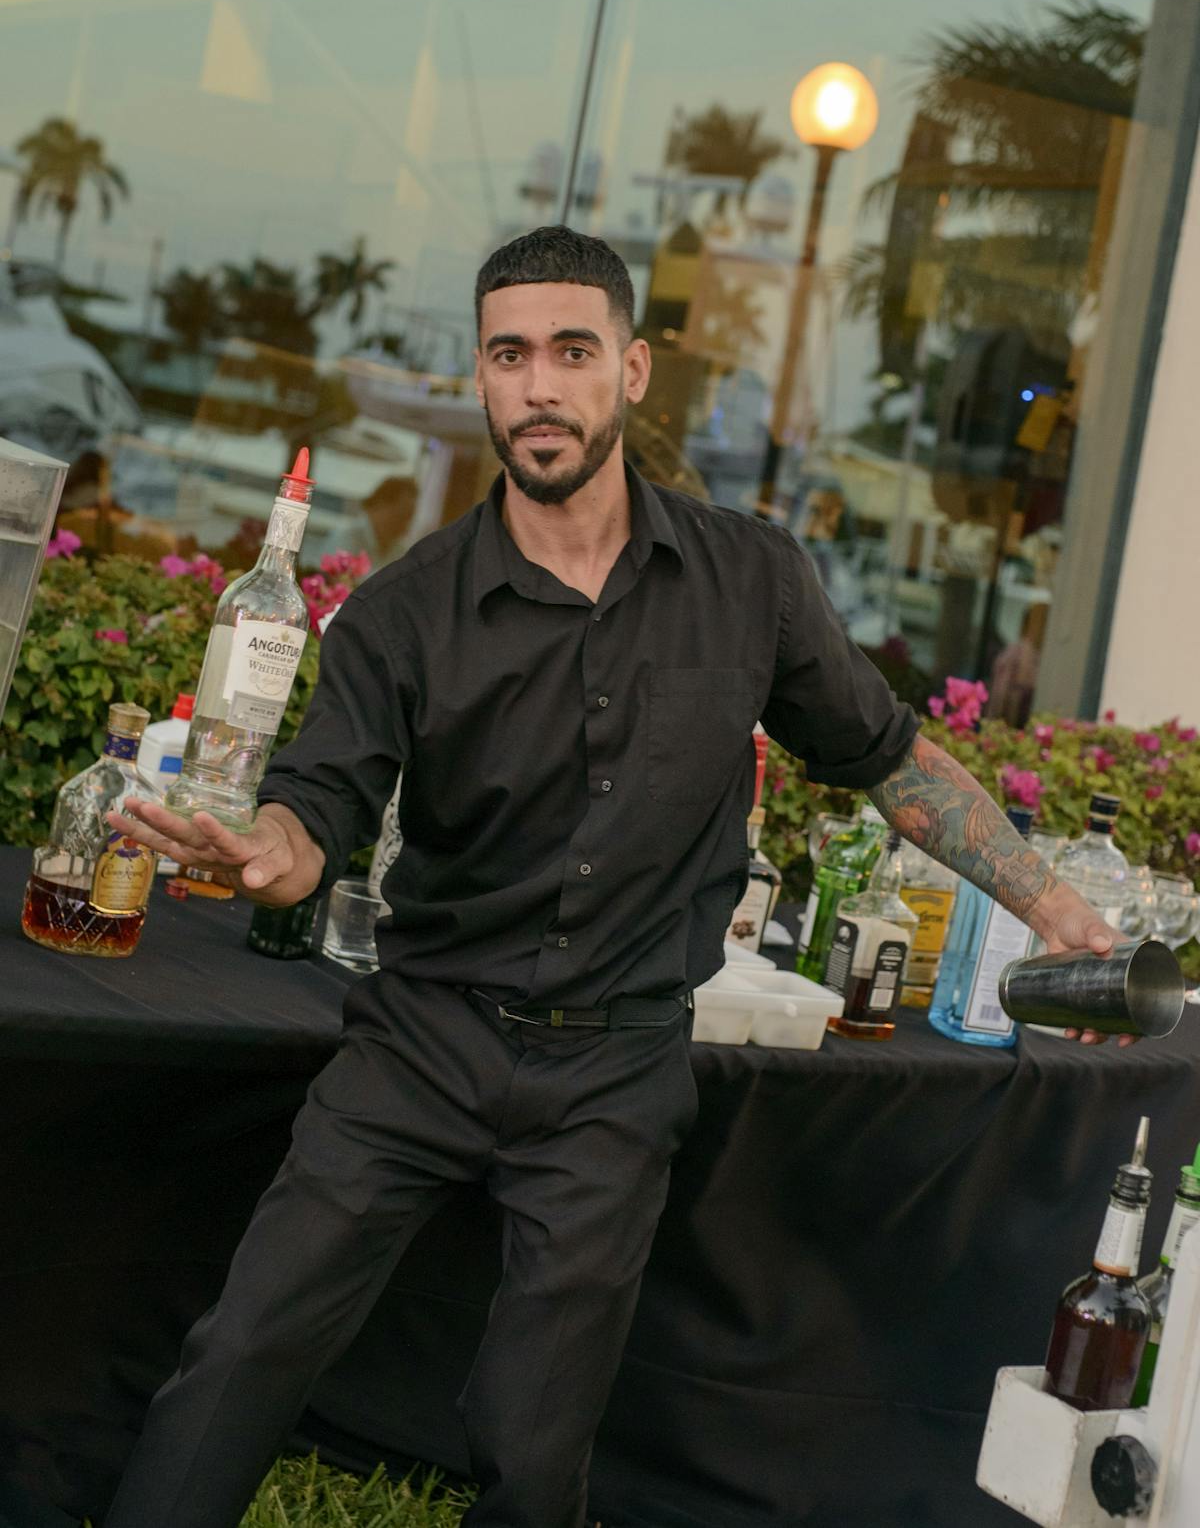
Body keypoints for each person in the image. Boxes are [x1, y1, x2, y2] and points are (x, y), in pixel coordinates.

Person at [104, 226, 1127, 1528]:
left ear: (632, 370)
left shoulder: (752, 583)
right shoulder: (410, 612)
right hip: (421, 1042)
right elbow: (316, 806)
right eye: (510, 353)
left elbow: (890, 757)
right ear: (482, 378)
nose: (540, 384)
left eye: (572, 350)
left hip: (616, 1072)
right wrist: (269, 855)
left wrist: (1050, 906)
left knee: (536, 1450)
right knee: (245, 1351)